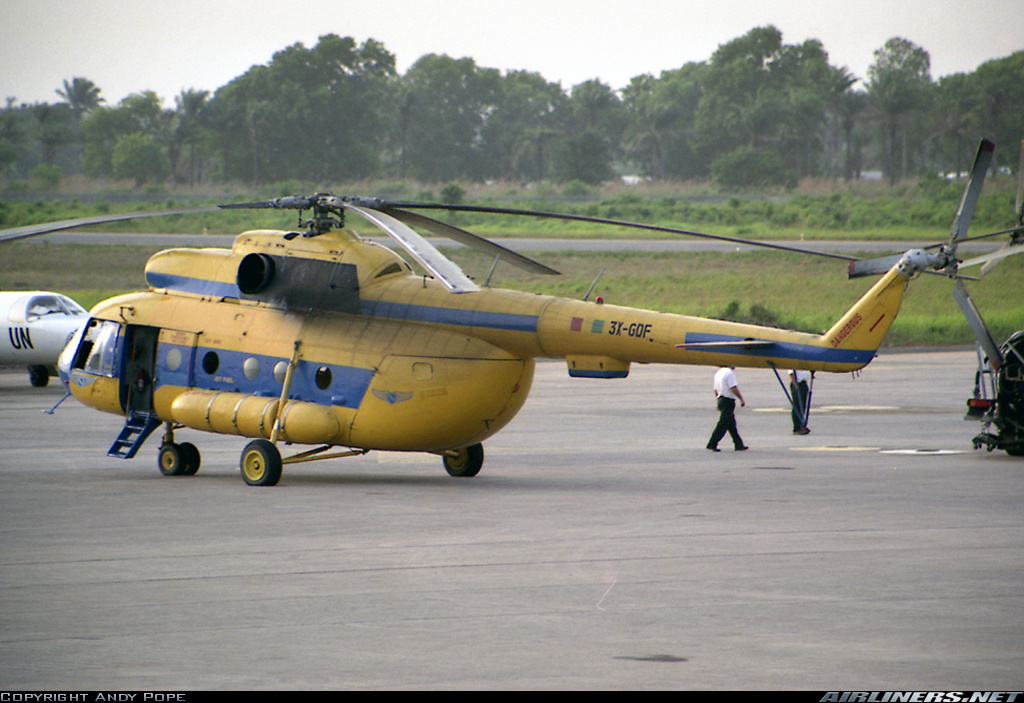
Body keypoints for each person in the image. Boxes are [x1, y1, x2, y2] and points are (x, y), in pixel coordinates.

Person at [707, 366, 748, 452]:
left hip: (721, 399)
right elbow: (733, 387)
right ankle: (712, 443)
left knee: (731, 425)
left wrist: (718, 401)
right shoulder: (729, 373)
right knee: (723, 424)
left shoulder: (718, 373)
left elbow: (715, 389)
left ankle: (739, 444)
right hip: (728, 400)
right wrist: (741, 398)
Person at [789, 369, 811, 435]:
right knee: (797, 405)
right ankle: (797, 427)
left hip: (803, 383)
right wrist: (795, 384)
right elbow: (791, 373)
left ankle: (802, 424)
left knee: (803, 405)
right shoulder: (792, 362)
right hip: (797, 383)